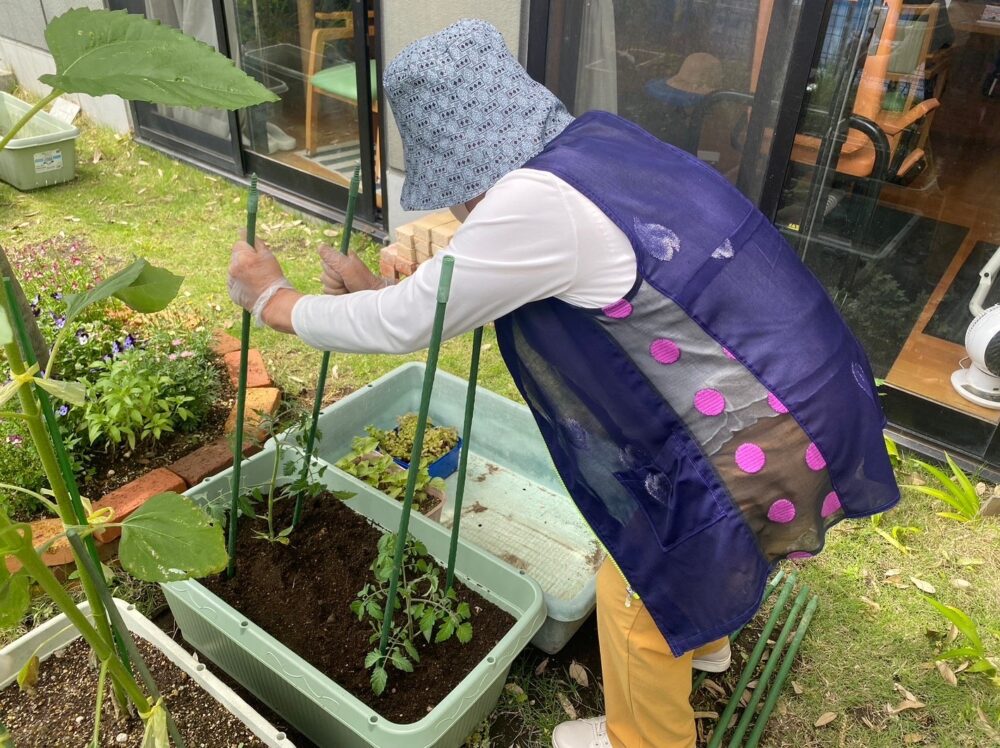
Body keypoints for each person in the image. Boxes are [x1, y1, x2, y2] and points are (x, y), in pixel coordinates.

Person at [228, 19, 899, 748]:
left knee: (647, 576)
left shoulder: (530, 207)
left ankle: (643, 738)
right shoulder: (595, 147)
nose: (456, 209)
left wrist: (277, 303)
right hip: (795, 384)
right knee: (715, 549)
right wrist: (373, 293)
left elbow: (406, 323)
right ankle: (708, 642)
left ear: (463, 166)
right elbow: (509, 279)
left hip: (755, 432)